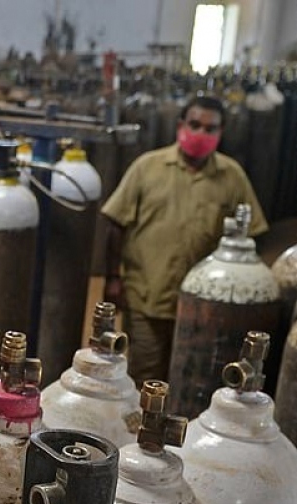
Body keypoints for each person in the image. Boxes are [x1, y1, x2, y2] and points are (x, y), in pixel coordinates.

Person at [102, 95, 268, 383]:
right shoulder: (147, 168)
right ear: (181, 125)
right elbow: (116, 224)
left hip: (204, 307)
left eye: (210, 128)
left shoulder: (232, 177)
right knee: (145, 376)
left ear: (221, 132)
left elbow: (254, 234)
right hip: (148, 298)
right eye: (195, 125)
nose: (201, 134)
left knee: (192, 380)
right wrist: (113, 279)